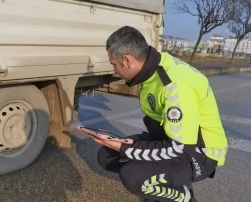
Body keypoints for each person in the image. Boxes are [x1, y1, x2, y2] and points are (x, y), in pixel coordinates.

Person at [91, 26, 228, 202]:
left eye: (114, 64)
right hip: (170, 137)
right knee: (106, 155)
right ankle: (169, 181)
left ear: (126, 60)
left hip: (199, 152)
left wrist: (126, 148)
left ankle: (184, 196)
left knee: (132, 176)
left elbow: (180, 149)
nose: (115, 71)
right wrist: (120, 145)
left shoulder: (175, 86)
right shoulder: (150, 68)